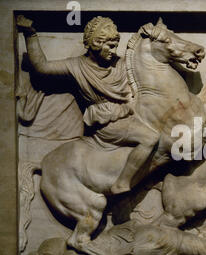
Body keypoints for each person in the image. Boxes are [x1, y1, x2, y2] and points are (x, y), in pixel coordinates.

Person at [17, 15, 160, 194]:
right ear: (95, 43)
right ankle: (122, 183)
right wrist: (30, 34)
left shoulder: (121, 64)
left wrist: (150, 37)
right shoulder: (76, 66)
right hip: (107, 121)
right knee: (150, 138)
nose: (114, 50)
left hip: (130, 112)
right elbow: (42, 67)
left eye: (115, 45)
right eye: (110, 45)